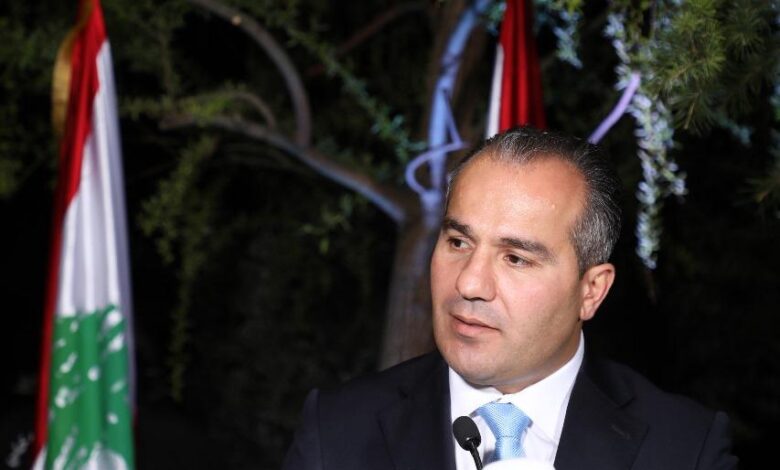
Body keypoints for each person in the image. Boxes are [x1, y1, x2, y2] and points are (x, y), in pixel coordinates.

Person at [282, 127, 738, 470]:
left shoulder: (685, 448)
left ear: (591, 291)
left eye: (516, 258)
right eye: (458, 242)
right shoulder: (337, 432)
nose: (470, 283)